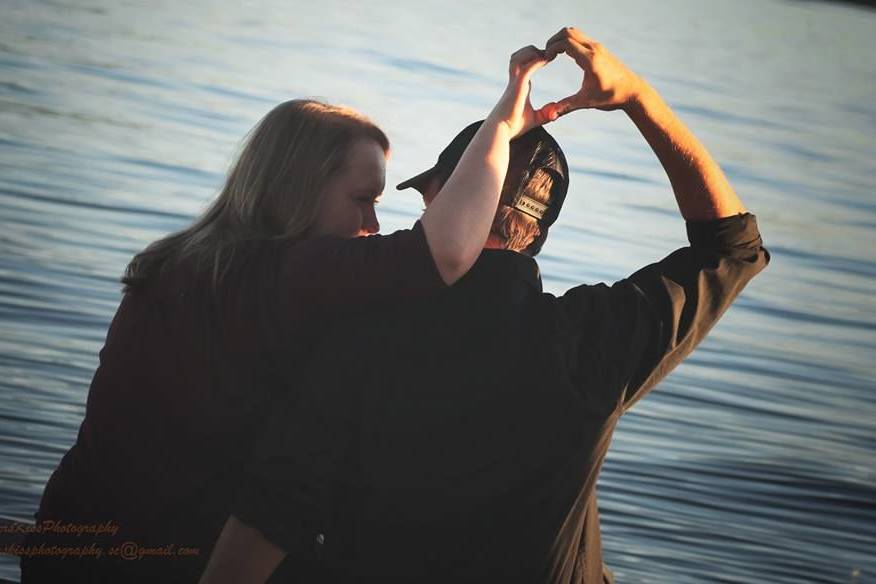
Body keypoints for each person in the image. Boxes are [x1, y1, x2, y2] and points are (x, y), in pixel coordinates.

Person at [199, 27, 770, 584]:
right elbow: (734, 246)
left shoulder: (353, 336)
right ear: (541, 233)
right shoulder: (595, 341)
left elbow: (269, 518)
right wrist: (639, 99)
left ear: (443, 201)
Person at [19, 44, 561, 583]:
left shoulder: (182, 261)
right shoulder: (284, 275)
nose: (373, 223)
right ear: (300, 190)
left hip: (66, 539)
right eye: (361, 200)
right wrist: (504, 120)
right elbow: (443, 251)